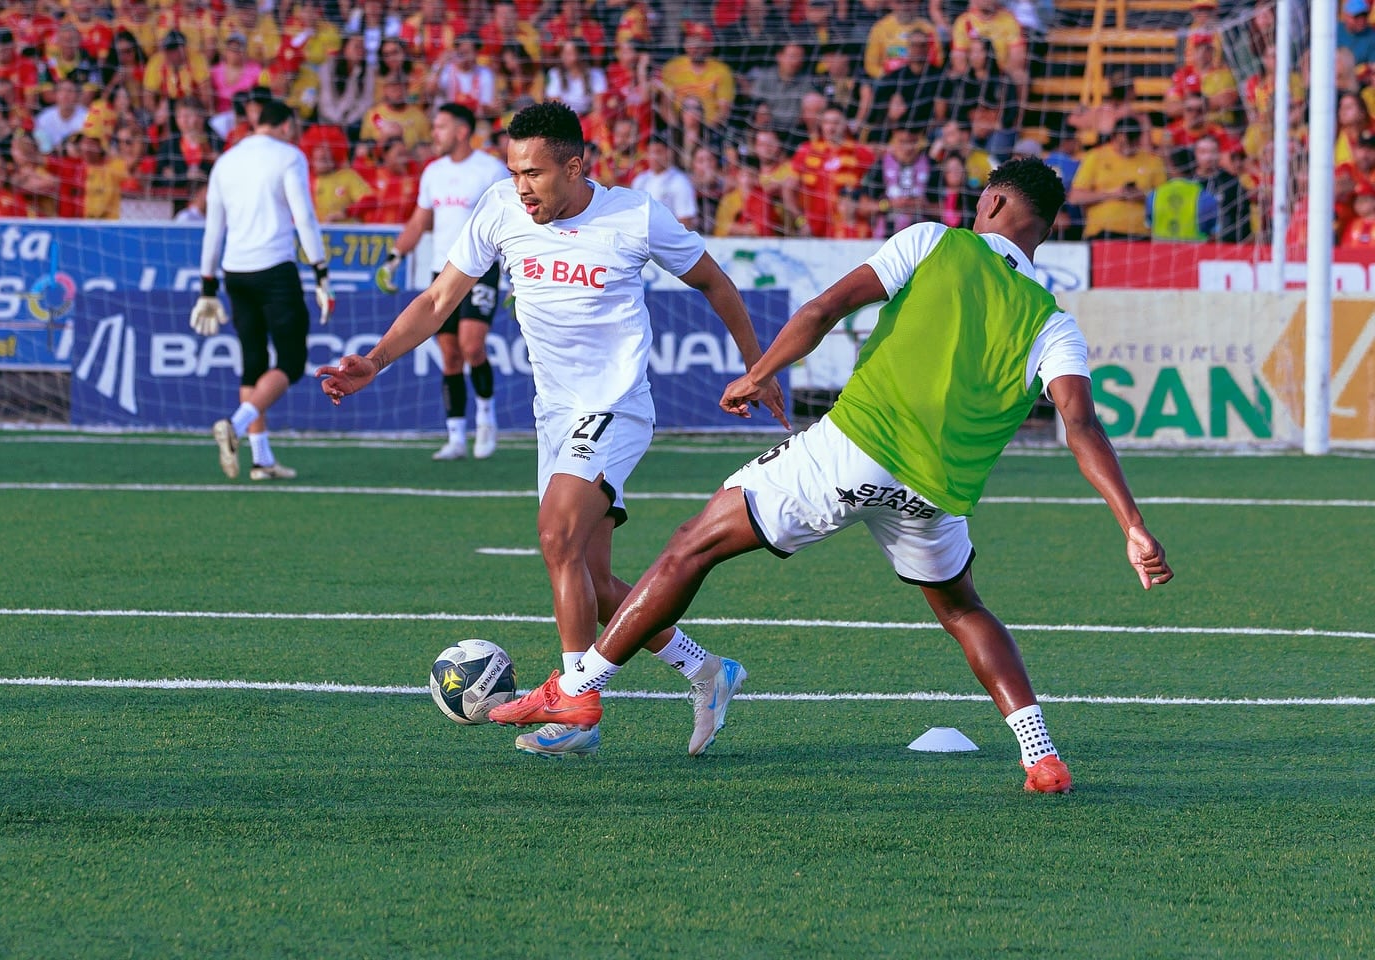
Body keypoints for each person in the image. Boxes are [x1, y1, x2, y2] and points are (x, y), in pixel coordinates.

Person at [489, 158, 1174, 794]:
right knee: (963, 607)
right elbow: (1081, 425)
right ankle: (1041, 753)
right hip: (934, 491)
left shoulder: (935, 240)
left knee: (690, 546)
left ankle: (580, 686)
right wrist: (1133, 527)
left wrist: (759, 375)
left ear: (992, 201)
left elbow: (822, 311)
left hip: (851, 449)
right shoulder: (1055, 324)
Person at [319, 101, 789, 758]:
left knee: (555, 533)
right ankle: (705, 670)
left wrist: (758, 367)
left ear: (576, 166)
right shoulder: (499, 209)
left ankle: (578, 706)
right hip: (556, 416)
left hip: (616, 405)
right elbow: (436, 300)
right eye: (515, 171)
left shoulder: (633, 214)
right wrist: (374, 359)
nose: (522, 186)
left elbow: (714, 281)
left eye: (535, 172)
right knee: (590, 581)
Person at [193, 99, 333, 482]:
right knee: (290, 359)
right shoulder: (288, 156)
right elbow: (303, 215)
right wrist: (320, 270)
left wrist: (207, 285)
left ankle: (261, 459)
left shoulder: (226, 161)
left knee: (253, 362)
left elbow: (213, 229)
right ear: (286, 125)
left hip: (234, 272)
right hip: (274, 269)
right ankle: (235, 427)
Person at [375, 102, 509, 461]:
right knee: (449, 355)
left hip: (480, 269)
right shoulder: (432, 172)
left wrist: (513, 272)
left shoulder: (491, 169)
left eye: (441, 127)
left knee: (471, 345)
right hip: (442, 271)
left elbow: (510, 222)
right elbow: (420, 221)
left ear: (462, 131)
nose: (433, 133)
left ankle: (485, 419)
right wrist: (394, 258)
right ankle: (455, 436)